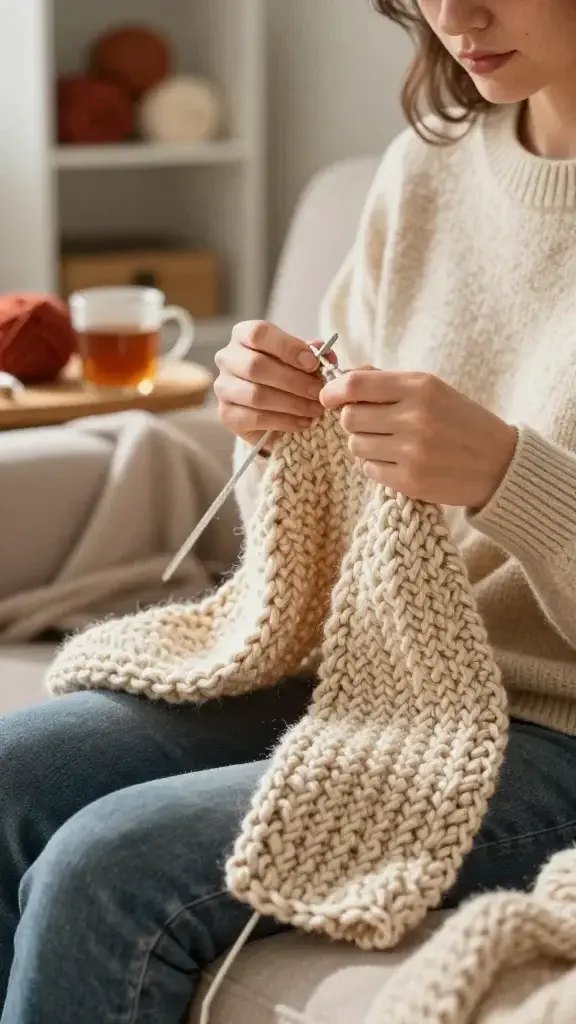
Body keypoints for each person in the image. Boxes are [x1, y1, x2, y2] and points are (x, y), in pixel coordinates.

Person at [2, 0, 576, 1020]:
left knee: (112, 866)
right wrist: (272, 426)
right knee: (16, 767)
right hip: (383, 662)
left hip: (556, 727)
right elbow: (335, 506)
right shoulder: (426, 172)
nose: (454, 15)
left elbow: (483, 476)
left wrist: (505, 476)